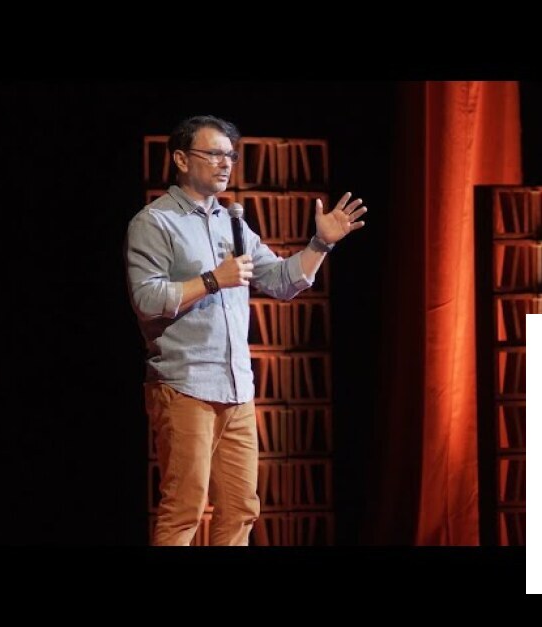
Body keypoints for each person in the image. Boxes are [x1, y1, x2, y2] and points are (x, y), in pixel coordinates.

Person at [124, 115, 366, 546]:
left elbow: (281, 281)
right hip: (184, 384)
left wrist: (320, 244)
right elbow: (146, 298)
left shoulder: (232, 221)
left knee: (240, 509)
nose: (225, 163)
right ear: (181, 159)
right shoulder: (154, 222)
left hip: (236, 388)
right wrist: (213, 280)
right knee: (184, 509)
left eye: (230, 156)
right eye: (214, 154)